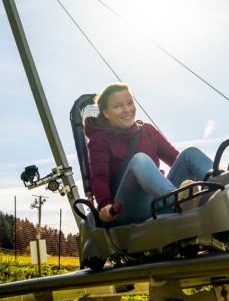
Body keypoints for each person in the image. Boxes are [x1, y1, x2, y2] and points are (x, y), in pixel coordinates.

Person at [85, 82, 213, 224]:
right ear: (106, 112)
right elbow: (99, 177)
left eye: (129, 103)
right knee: (140, 160)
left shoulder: (147, 131)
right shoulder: (99, 139)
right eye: (118, 106)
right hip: (124, 209)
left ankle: (223, 185)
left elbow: (177, 160)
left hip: (158, 202)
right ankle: (178, 200)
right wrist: (104, 204)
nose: (127, 109)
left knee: (190, 154)